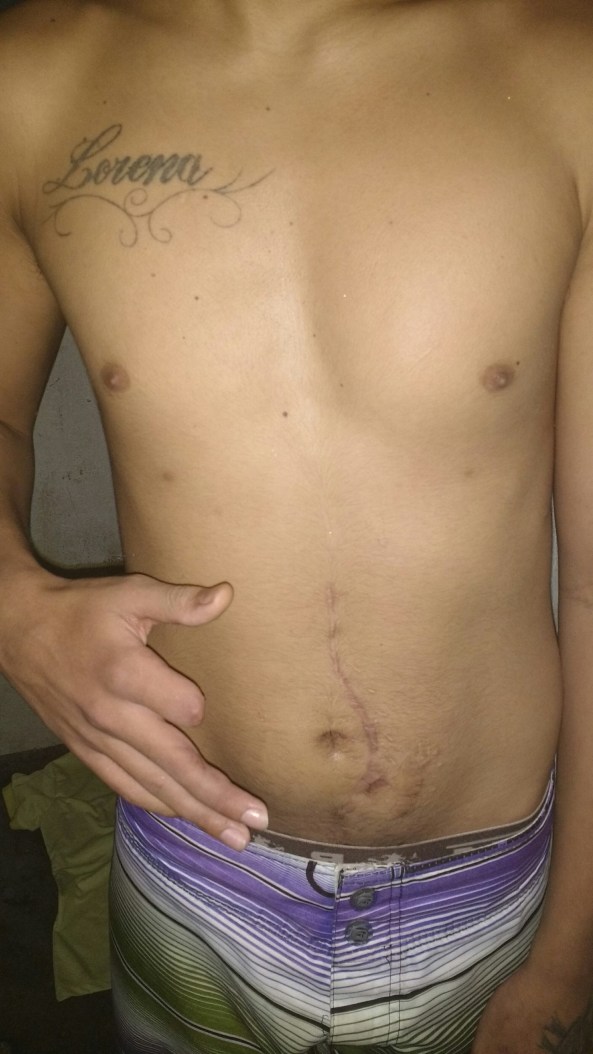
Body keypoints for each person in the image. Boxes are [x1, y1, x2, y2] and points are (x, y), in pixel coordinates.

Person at [0, 0, 593, 1050]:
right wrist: (9, 601)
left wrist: (566, 957)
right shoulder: (30, 76)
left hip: (485, 891)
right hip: (188, 868)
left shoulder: (563, 65)